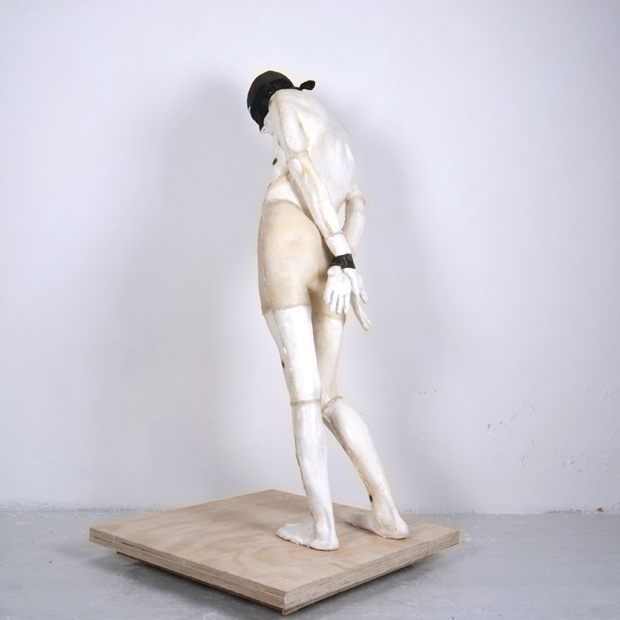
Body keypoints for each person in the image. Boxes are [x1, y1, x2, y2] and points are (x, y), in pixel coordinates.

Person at [248, 71, 408, 551]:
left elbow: (299, 167)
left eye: (262, 125)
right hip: (329, 262)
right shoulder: (338, 132)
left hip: (288, 243)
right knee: (330, 396)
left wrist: (339, 251)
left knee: (305, 396)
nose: (268, 132)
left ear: (264, 106)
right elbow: (358, 203)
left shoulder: (282, 102)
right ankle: (387, 513)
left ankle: (322, 529)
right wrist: (344, 261)